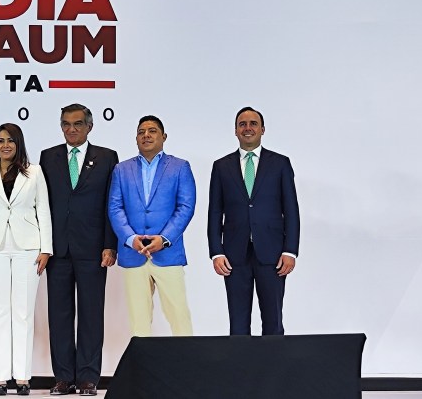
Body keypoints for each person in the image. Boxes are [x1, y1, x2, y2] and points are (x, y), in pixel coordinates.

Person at [38, 104, 119, 396]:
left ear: (89, 126)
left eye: (77, 124)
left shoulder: (107, 157)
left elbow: (112, 203)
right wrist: (43, 245)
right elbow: (42, 205)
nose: (71, 129)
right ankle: (63, 377)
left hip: (94, 249)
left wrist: (111, 244)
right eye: (66, 124)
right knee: (59, 315)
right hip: (57, 250)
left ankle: (87, 378)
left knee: (90, 314)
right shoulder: (48, 157)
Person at [0, 123, 53, 396]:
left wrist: (46, 249)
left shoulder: (35, 172)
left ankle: (22, 377)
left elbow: (43, 209)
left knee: (23, 313)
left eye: (10, 140)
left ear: (18, 143)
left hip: (28, 248)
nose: (5, 145)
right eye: (0, 140)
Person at [207, 106, 300, 335]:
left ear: (262, 129)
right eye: (242, 124)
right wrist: (216, 252)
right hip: (233, 256)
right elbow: (215, 211)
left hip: (273, 254)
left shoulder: (280, 163)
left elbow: (291, 210)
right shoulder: (221, 166)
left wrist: (290, 250)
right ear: (236, 131)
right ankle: (241, 371)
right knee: (238, 324)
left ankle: (274, 370)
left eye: (253, 124)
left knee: (273, 321)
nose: (247, 128)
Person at [107, 115, 195, 337]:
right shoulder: (121, 169)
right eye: (141, 132)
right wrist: (130, 239)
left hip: (168, 253)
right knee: (139, 322)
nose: (146, 135)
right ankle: (144, 371)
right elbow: (115, 208)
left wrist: (163, 239)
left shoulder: (179, 167)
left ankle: (189, 370)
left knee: (179, 317)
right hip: (133, 253)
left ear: (164, 137)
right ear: (136, 138)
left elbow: (185, 207)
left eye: (152, 131)